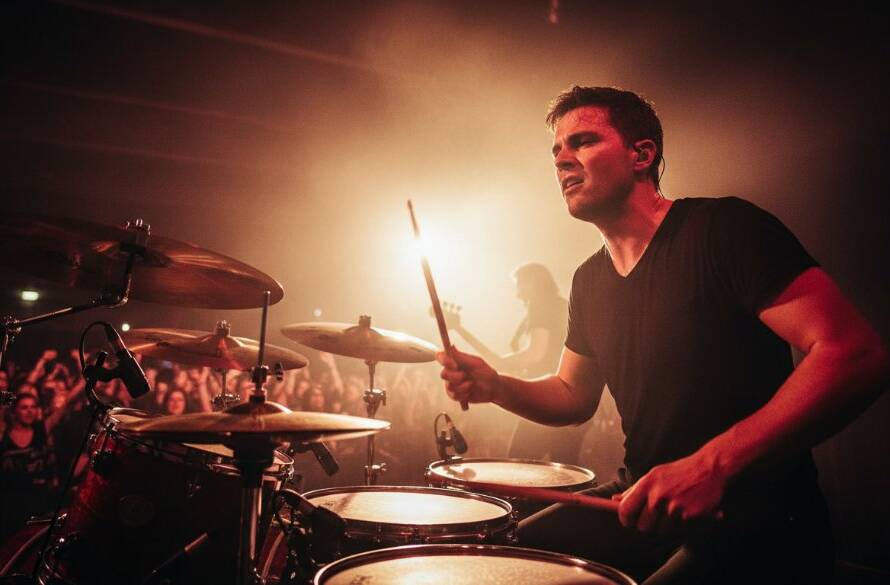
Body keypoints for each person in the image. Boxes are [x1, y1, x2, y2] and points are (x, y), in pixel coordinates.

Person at [437, 86, 889, 584]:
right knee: (498, 564)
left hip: (756, 515)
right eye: (556, 150)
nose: (562, 160)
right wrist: (497, 386)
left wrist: (710, 466)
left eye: (582, 142)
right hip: (645, 502)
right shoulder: (589, 279)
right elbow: (572, 396)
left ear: (642, 154)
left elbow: (853, 353)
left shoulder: (724, 230)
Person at [442, 263, 592, 464]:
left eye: (520, 286)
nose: (517, 294)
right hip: (574, 404)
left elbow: (535, 353)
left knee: (518, 466)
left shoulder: (539, 305)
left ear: (532, 283)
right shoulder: (561, 305)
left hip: (547, 398)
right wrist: (461, 330)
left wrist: (498, 368)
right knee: (567, 473)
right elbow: (503, 361)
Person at [0, 392, 58, 541]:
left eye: (33, 407)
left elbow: (67, 402)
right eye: (24, 407)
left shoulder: (41, 429)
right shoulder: (3, 434)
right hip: (11, 505)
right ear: (14, 411)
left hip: (40, 501)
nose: (29, 411)